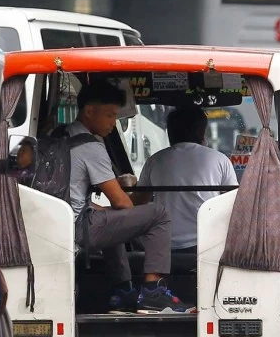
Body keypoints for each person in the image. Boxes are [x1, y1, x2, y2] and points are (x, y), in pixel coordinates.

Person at [66, 82, 191, 314]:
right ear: (89, 111)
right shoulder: (90, 147)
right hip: (79, 228)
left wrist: (102, 211)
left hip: (61, 221)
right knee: (159, 214)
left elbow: (70, 195)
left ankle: (122, 292)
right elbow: (121, 202)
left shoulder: (60, 135)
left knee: (113, 220)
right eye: (110, 116)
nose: (114, 124)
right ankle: (154, 291)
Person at [137, 106, 238, 255]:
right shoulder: (219, 160)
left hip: (164, 247)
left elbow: (137, 203)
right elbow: (234, 204)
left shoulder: (154, 161)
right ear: (201, 132)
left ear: (169, 132)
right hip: (206, 246)